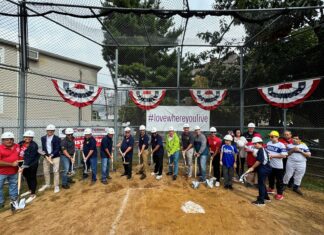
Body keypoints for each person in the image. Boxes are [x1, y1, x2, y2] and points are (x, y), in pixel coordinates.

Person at [248, 136, 272, 207]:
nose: (254, 145)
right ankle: (266, 197)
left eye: (255, 144)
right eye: (254, 144)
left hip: (264, 169)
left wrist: (252, 167)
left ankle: (261, 201)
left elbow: (259, 161)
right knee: (262, 183)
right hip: (267, 168)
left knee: (260, 184)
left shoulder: (261, 150)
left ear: (260, 143)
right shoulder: (264, 149)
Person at [18, 130, 40, 203]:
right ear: (24, 137)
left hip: (32, 164)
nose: (28, 138)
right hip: (22, 163)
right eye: (26, 137)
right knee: (27, 176)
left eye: (30, 137)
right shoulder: (21, 143)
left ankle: (33, 194)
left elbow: (30, 158)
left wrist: (23, 167)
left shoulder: (34, 145)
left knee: (32, 177)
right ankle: (30, 190)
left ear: (32, 138)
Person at [39, 124, 61, 193]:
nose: (50, 132)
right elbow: (43, 148)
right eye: (49, 130)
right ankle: (47, 184)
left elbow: (57, 148)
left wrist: (51, 155)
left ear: (54, 131)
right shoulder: (43, 138)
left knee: (56, 171)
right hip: (46, 157)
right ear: (46, 130)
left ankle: (56, 186)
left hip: (55, 156)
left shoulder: (57, 138)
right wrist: (46, 155)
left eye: (52, 131)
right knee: (46, 171)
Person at [0, 132, 19, 211]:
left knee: (13, 185)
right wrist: (11, 164)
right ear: (2, 140)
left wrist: (21, 165)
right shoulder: (0, 148)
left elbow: (21, 155)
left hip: (14, 171)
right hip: (2, 172)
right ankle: (1, 202)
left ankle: (13, 200)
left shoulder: (17, 146)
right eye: (6, 140)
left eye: (11, 139)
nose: (9, 141)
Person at [266, 130, 287, 200]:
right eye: (270, 136)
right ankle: (271, 189)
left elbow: (284, 156)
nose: (270, 138)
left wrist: (272, 156)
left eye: (272, 137)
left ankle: (280, 194)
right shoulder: (268, 143)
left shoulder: (281, 145)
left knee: (279, 180)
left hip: (278, 166)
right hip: (270, 164)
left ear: (277, 137)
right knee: (270, 178)